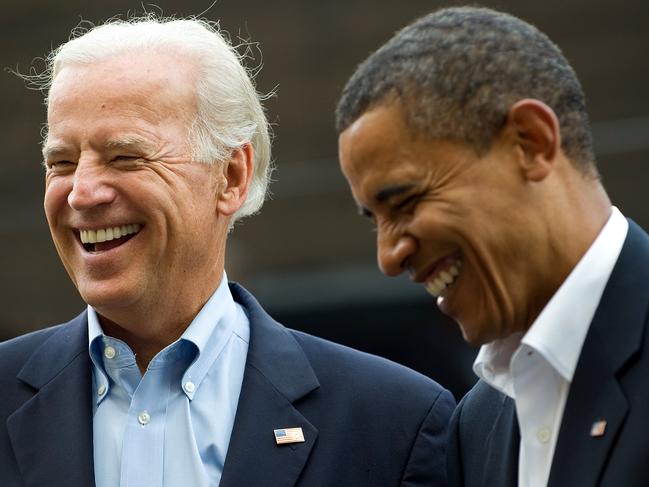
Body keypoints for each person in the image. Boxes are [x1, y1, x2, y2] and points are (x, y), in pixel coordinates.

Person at [0, 15, 455, 487]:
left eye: (125, 157)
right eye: (62, 163)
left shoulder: (392, 424)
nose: (81, 193)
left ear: (231, 177)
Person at [336, 6, 649, 487]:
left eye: (405, 201)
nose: (388, 257)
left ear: (530, 142)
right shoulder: (476, 425)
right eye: (374, 220)